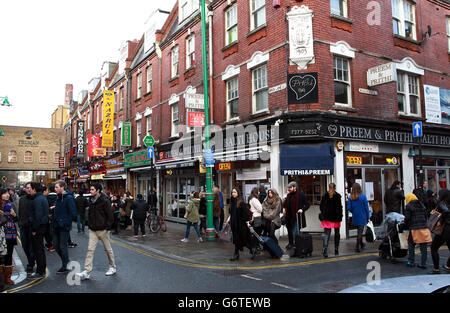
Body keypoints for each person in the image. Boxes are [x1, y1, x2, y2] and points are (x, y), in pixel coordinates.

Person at [77, 183, 116, 280]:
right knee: (90, 250)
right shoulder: (91, 201)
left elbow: (110, 216)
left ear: (98, 190)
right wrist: (89, 225)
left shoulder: (104, 201)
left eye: (92, 189)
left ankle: (112, 267)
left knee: (108, 250)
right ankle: (87, 271)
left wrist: (107, 228)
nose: (90, 191)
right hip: (93, 230)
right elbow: (89, 214)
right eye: (90, 189)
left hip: (103, 230)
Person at [52, 180, 77, 274]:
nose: (55, 189)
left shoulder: (69, 198)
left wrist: (63, 222)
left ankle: (65, 265)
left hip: (63, 226)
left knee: (62, 246)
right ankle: (66, 262)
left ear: (62, 188)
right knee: (55, 245)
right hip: (55, 225)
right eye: (55, 187)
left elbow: (73, 213)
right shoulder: (58, 197)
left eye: (57, 187)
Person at [228, 187, 255, 261]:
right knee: (236, 240)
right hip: (234, 225)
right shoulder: (232, 202)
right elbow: (231, 213)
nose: (233, 193)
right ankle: (236, 254)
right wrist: (229, 220)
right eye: (232, 192)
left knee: (244, 240)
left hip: (241, 225)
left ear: (238, 193)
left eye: (235, 192)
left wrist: (247, 222)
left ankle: (252, 250)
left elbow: (246, 214)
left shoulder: (241, 202)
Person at [29, 182, 49, 278]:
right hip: (43, 226)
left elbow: (38, 216)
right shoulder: (43, 198)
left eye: (30, 189)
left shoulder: (37, 200)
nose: (29, 190)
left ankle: (40, 271)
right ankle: (42, 269)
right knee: (40, 249)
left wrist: (34, 229)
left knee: (38, 250)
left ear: (34, 189)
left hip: (38, 227)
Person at [404, 193, 429, 269]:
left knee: (411, 244)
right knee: (423, 246)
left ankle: (411, 261)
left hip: (414, 228)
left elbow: (407, 218)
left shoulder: (409, 206)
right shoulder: (422, 205)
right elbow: (425, 216)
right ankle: (423, 263)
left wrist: (406, 223)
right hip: (424, 227)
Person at [283, 182, 310, 250]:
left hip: (297, 217)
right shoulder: (289, 195)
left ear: (295, 187)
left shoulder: (301, 195)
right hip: (289, 218)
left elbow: (307, 204)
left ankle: (297, 247)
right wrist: (285, 198)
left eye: (290, 188)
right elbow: (285, 206)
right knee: (290, 233)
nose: (289, 189)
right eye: (288, 188)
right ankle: (291, 245)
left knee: (296, 233)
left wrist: (302, 209)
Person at [319, 183, 343, 257]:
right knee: (337, 233)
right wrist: (340, 215)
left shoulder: (325, 196)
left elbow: (321, 207)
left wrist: (324, 213)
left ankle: (325, 249)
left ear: (328, 187)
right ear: (335, 188)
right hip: (336, 218)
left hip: (327, 218)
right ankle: (336, 249)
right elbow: (340, 208)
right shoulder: (337, 196)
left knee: (327, 234)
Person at [17, 182, 36, 276]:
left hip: (32, 227)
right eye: (27, 187)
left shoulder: (35, 199)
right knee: (25, 246)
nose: (28, 189)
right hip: (23, 226)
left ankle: (31, 264)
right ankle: (31, 260)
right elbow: (20, 212)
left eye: (30, 188)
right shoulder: (22, 199)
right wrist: (20, 222)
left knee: (31, 246)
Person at [430, 189, 450, 274]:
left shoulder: (442, 203)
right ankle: (449, 265)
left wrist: (440, 220)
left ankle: (436, 268)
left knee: (434, 247)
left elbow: (446, 211)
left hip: (445, 229)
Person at [0, 188, 18, 285]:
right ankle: (1, 278)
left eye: (7, 193)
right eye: (4, 193)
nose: (7, 195)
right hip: (1, 234)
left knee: (9, 255)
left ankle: (7, 278)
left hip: (10, 233)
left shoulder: (11, 205)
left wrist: (14, 215)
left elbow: (16, 219)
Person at [348, 183, 370, 253]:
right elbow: (366, 208)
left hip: (355, 216)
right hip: (362, 216)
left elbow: (349, 208)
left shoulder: (350, 197)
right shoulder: (363, 197)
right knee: (360, 232)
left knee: (358, 231)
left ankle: (362, 244)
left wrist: (354, 211)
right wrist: (368, 217)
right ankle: (357, 246)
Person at [43, 185, 55, 252]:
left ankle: (50, 244)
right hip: (56, 217)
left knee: (48, 232)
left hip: (48, 216)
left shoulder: (46, 198)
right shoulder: (59, 197)